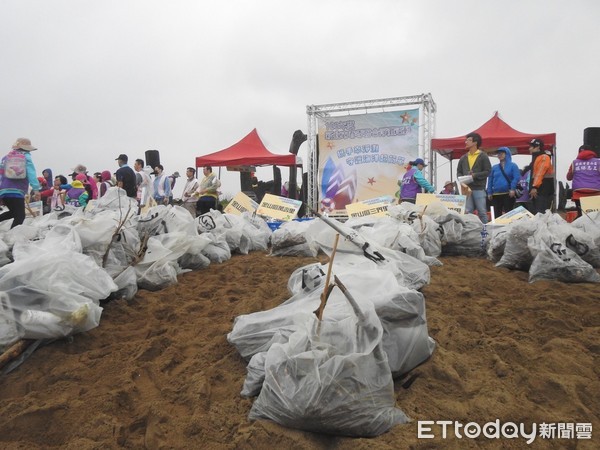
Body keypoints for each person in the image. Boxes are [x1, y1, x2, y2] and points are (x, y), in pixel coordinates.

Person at [0, 138, 41, 228]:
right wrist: (36, 189)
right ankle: (13, 237)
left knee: (13, 213)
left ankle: (11, 235)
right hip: (17, 191)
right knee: (20, 216)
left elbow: (1, 176)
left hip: (4, 191)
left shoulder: (5, 158)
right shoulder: (26, 157)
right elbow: (31, 173)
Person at [457, 132, 492, 223]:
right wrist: (461, 179)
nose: (466, 142)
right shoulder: (463, 158)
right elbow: (459, 171)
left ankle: (486, 233)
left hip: (479, 188)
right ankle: (471, 232)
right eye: (466, 140)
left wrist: (475, 175)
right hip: (467, 189)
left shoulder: (483, 156)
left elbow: (488, 171)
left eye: (468, 140)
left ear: (475, 142)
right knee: (468, 212)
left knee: (482, 212)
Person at [566, 144, 600, 217]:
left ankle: (578, 227)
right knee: (595, 217)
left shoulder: (574, 162)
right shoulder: (598, 162)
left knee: (581, 215)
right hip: (595, 193)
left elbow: (569, 177)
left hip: (579, 194)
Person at [486, 147, 520, 217]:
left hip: (508, 193)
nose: (499, 155)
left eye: (502, 153)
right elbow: (490, 180)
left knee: (509, 213)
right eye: (498, 153)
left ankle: (509, 227)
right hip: (496, 194)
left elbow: (516, 178)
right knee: (496, 214)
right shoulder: (494, 167)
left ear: (507, 154)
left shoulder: (513, 166)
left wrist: (512, 189)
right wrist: (489, 192)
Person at [528, 138, 555, 214]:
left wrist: (534, 187)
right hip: (539, 191)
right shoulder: (537, 158)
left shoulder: (543, 157)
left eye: (531, 146)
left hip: (542, 191)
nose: (529, 148)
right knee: (537, 213)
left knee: (540, 214)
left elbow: (540, 173)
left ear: (537, 147)